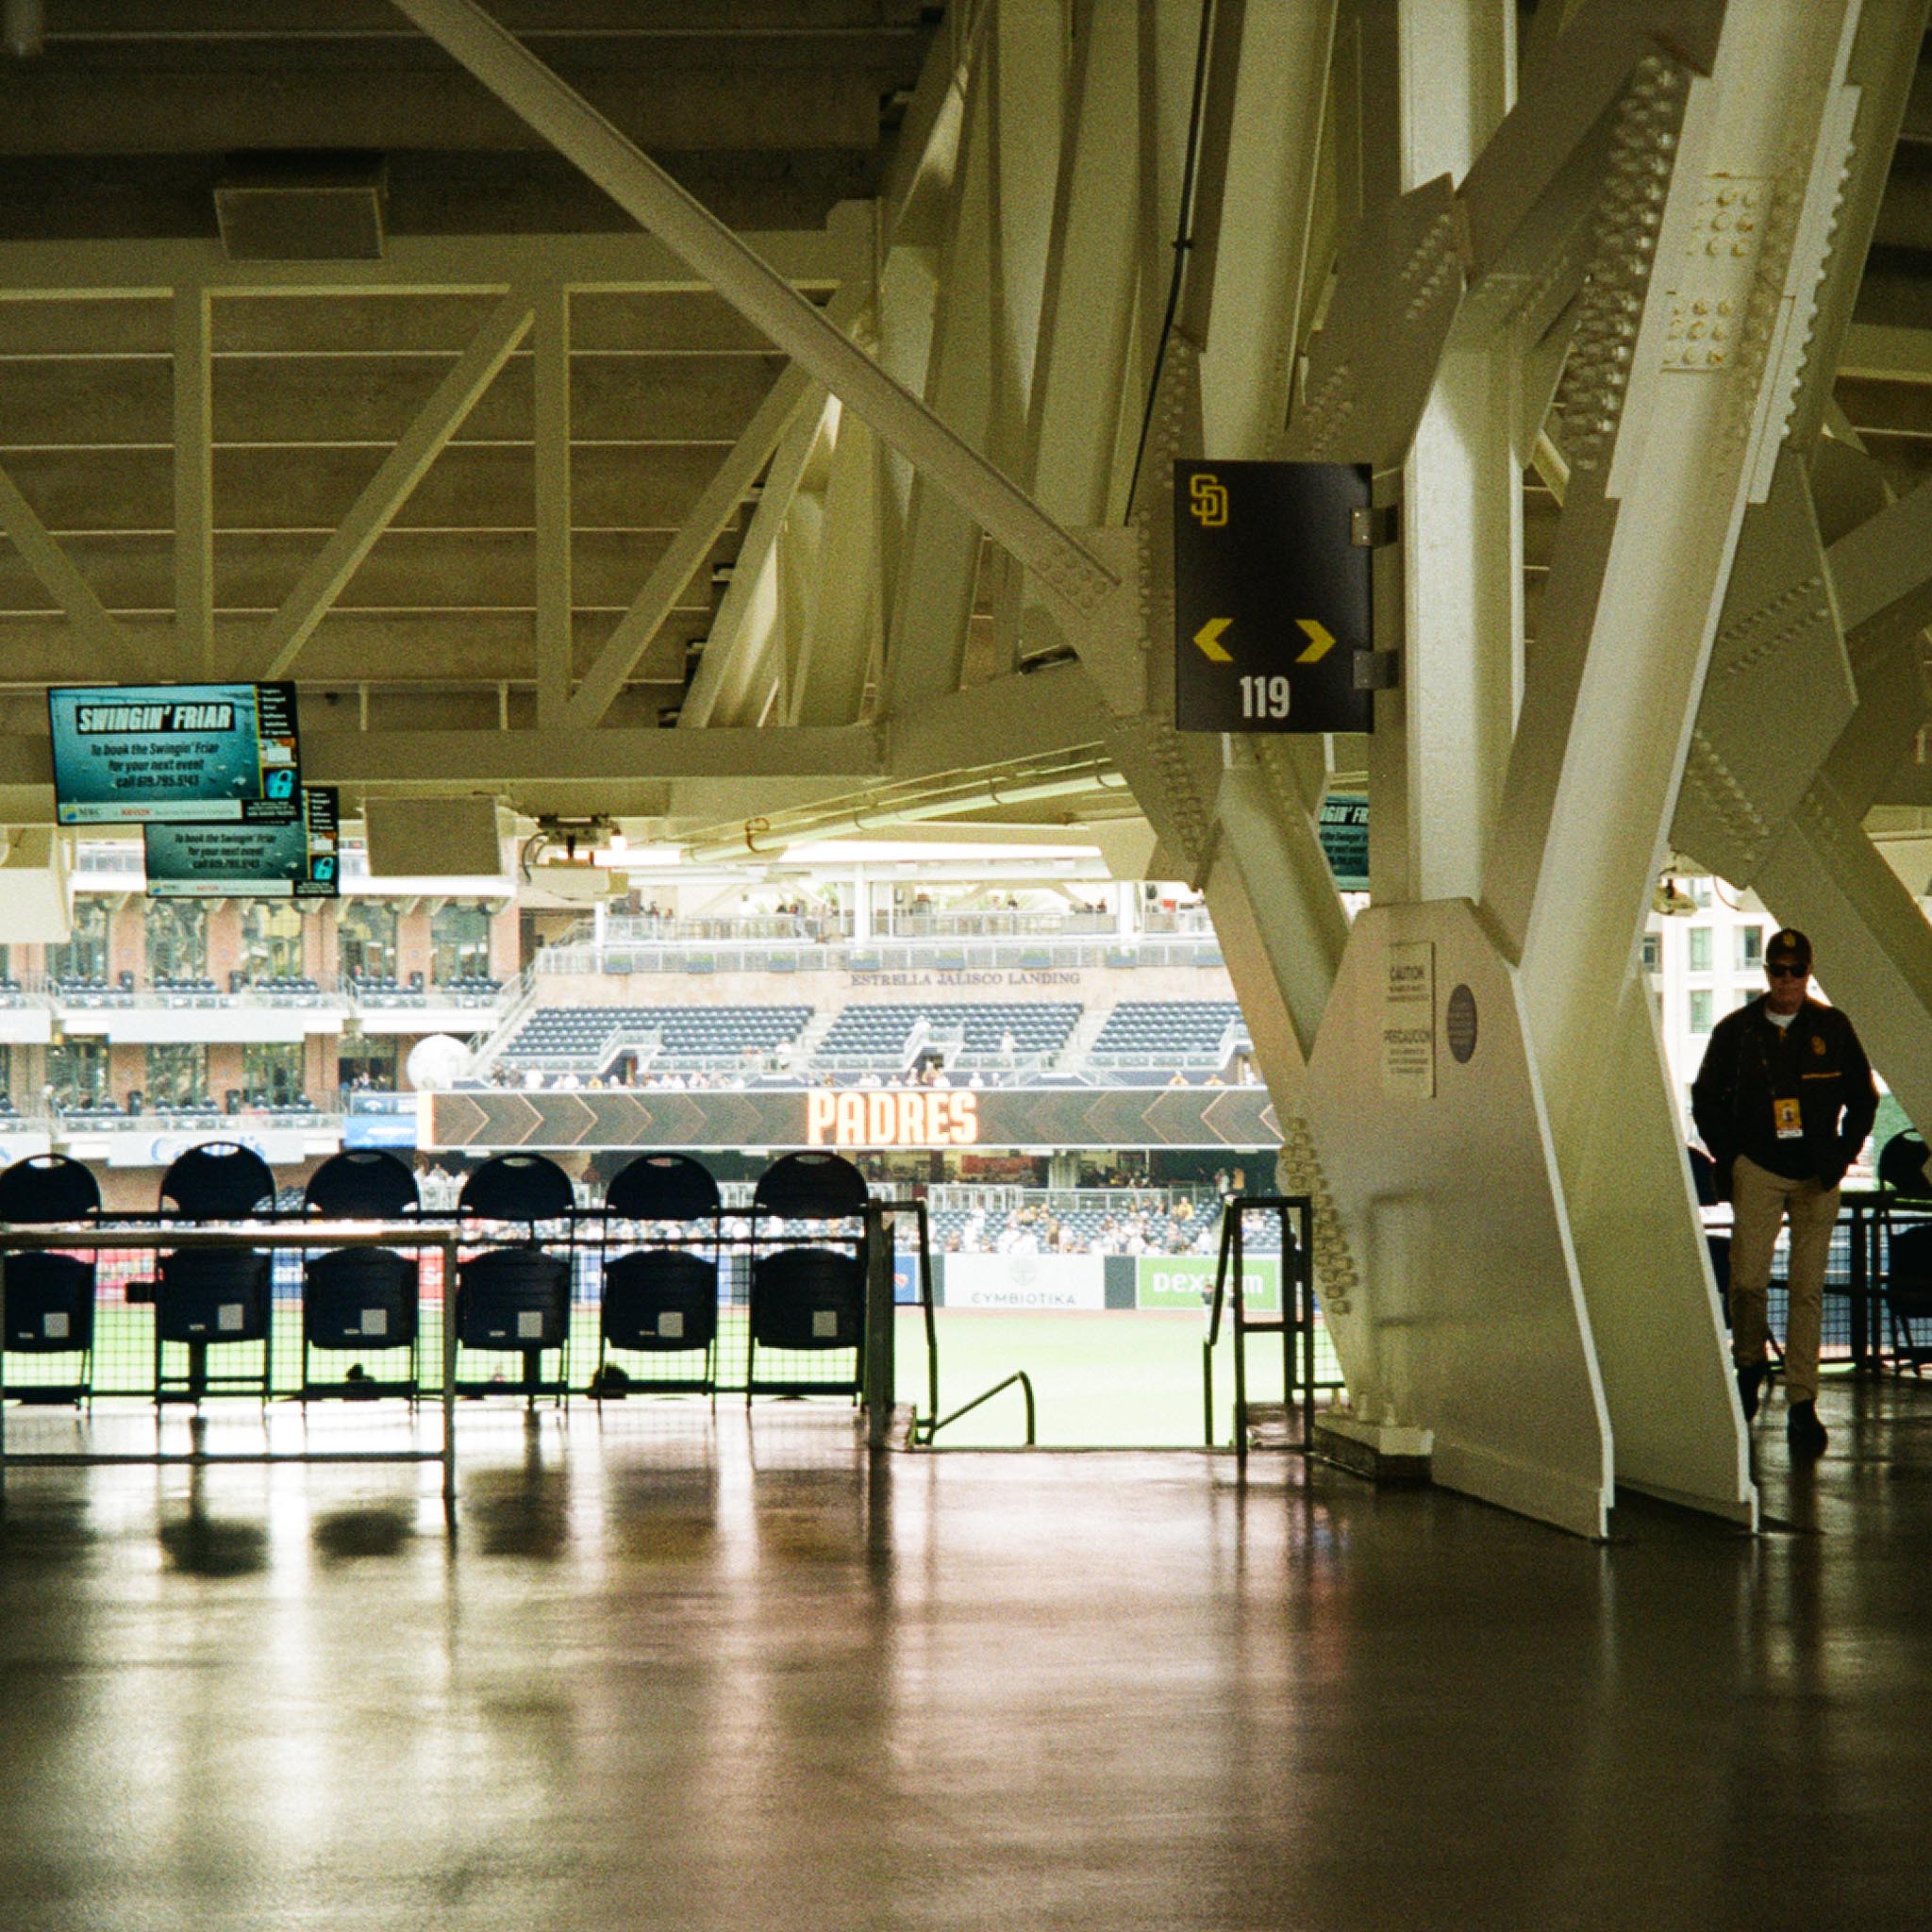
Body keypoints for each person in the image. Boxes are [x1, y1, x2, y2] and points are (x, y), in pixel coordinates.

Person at [1691, 927, 1876, 1457]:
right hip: (1760, 1170)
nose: (1788, 980)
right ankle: (1749, 1361)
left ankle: (1802, 1401)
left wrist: (1842, 1155)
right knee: (1747, 1281)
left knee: (1807, 1290)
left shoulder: (1832, 1028)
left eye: (1796, 970)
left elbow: (1862, 1100)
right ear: (1766, 972)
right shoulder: (1737, 1031)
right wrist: (1732, 1157)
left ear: (1809, 972)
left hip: (1817, 1176)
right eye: (1779, 970)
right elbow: (1705, 1099)